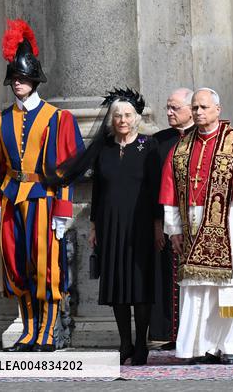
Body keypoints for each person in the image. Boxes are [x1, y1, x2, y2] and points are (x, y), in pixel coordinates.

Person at [0, 19, 84, 352]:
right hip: (11, 201)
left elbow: (66, 170)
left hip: (44, 200)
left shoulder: (58, 118)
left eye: (23, 79)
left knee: (45, 267)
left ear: (34, 81)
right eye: (15, 80)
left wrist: (63, 210)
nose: (18, 84)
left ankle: (48, 333)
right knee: (17, 266)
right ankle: (29, 331)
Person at [160, 88, 233, 364]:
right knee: (198, 291)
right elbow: (170, 193)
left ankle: (231, 346)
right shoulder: (180, 148)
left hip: (231, 223)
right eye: (194, 108)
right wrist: (174, 230)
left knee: (230, 289)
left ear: (218, 109)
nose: (198, 112)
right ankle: (200, 347)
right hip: (192, 226)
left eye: (204, 107)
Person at [87, 89, 163, 365]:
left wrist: (157, 225)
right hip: (110, 225)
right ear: (111, 119)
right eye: (117, 115)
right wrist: (94, 226)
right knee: (117, 285)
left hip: (140, 225)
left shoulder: (148, 145)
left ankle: (141, 344)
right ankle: (125, 343)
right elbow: (98, 189)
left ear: (137, 118)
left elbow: (156, 188)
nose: (122, 119)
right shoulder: (104, 147)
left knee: (139, 286)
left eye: (127, 115)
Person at [149, 88, 195, 346]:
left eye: (174, 108)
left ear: (190, 109)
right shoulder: (158, 141)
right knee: (168, 276)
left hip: (198, 218)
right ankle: (168, 333)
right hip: (167, 220)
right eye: (167, 107)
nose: (169, 112)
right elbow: (154, 186)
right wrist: (158, 224)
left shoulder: (205, 137)